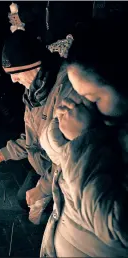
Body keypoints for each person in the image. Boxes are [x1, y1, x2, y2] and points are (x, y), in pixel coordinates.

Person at [39, 20, 128, 257]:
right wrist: (62, 133)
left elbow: (115, 224)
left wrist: (82, 138)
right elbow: (68, 172)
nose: (85, 106)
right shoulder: (107, 123)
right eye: (79, 96)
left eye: (94, 97)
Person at [0, 30, 73, 214]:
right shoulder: (36, 89)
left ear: (35, 65)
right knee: (23, 199)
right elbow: (34, 138)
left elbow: (68, 158)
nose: (14, 80)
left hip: (63, 176)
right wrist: (2, 154)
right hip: (42, 165)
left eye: (16, 73)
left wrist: (43, 189)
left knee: (30, 204)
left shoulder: (63, 92)